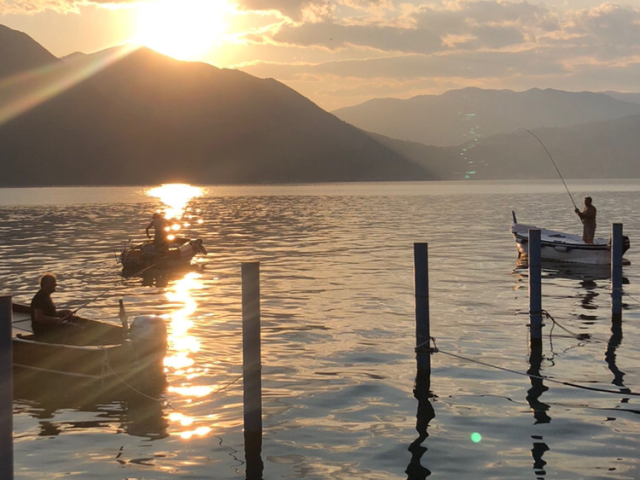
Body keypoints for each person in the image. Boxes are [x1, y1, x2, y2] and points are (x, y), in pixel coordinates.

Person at [30, 273, 84, 342]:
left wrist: (63, 312)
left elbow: (49, 313)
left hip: (50, 327)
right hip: (44, 332)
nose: (56, 284)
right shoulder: (40, 298)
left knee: (75, 319)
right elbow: (38, 317)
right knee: (75, 328)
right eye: (53, 282)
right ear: (45, 284)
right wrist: (55, 319)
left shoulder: (46, 296)